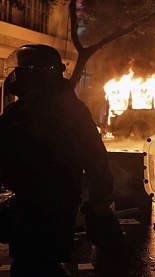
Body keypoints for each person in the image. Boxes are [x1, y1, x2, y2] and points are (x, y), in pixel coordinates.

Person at [0, 44, 114, 277]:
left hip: (49, 202)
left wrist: (99, 203)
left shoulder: (61, 110)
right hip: (36, 199)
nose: (17, 73)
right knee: (31, 261)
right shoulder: (26, 109)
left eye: (22, 68)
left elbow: (95, 158)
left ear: (35, 72)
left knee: (36, 264)